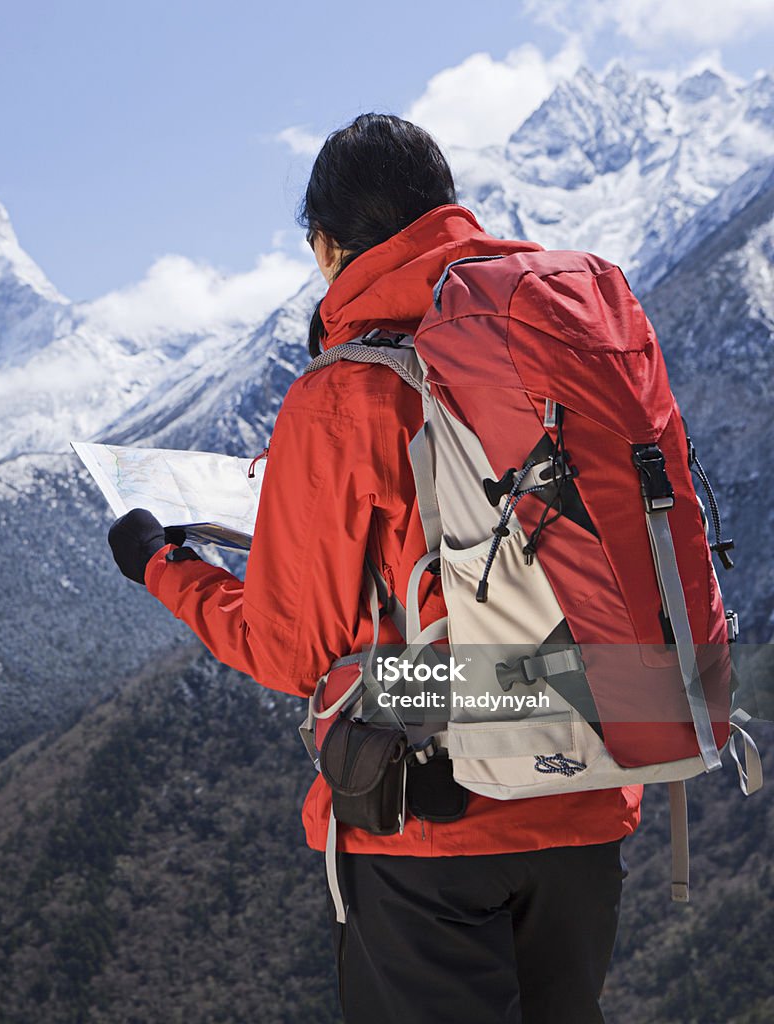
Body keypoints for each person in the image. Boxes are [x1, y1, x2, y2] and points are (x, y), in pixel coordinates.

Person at [107, 113, 640, 1024]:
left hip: (428, 815)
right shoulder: (562, 339)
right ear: (447, 211)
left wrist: (163, 566)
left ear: (326, 247)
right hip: (592, 785)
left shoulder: (345, 389)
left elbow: (284, 646)